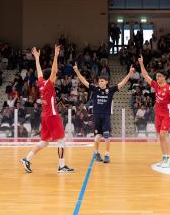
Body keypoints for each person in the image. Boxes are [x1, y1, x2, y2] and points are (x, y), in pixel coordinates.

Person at [21, 45, 74, 173]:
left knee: (44, 142)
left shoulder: (41, 84)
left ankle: (27, 159)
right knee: (61, 141)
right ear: (50, 77)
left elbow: (39, 71)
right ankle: (61, 166)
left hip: (44, 115)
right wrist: (56, 55)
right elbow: (54, 71)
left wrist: (37, 58)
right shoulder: (49, 85)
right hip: (52, 115)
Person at [73, 63, 134, 163]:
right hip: (96, 116)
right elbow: (84, 81)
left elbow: (122, 82)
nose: (100, 82)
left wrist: (129, 73)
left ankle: (107, 154)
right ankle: (96, 152)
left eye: (102, 81)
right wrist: (76, 71)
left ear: (106, 82)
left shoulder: (110, 90)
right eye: (99, 81)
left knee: (106, 136)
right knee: (97, 137)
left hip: (106, 116)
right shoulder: (95, 89)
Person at [138, 55, 170, 168]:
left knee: (162, 135)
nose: (157, 78)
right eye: (156, 76)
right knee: (161, 137)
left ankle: (168, 158)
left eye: (159, 76)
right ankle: (165, 157)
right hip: (158, 115)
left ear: (164, 77)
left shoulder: (169, 88)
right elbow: (145, 75)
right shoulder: (156, 86)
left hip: (167, 115)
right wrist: (141, 64)